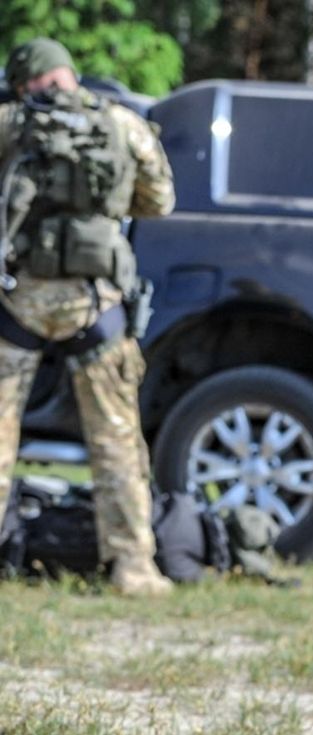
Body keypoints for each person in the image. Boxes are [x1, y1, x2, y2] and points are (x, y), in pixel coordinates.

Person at [0, 38, 175, 595]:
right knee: (117, 440)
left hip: (17, 301)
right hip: (95, 304)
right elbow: (160, 200)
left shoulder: (8, 122)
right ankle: (134, 568)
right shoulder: (123, 124)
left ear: (25, 82)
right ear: (68, 74)